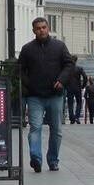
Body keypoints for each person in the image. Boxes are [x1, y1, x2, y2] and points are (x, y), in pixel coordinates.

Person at [17, 16, 74, 172]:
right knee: (35, 127)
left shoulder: (59, 46)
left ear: (48, 28)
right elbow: (20, 70)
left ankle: (53, 160)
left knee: (56, 129)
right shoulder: (27, 49)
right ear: (34, 30)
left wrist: (61, 80)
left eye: (44, 27)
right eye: (38, 28)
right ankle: (36, 158)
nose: (41, 30)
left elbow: (69, 65)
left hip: (55, 95)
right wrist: (29, 85)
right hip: (35, 96)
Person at [66, 56, 87, 124]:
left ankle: (72, 118)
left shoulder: (67, 68)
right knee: (79, 102)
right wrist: (83, 85)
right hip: (77, 87)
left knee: (70, 103)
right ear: (76, 60)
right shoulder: (79, 68)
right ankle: (77, 117)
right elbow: (85, 77)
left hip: (69, 87)